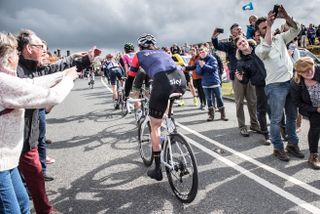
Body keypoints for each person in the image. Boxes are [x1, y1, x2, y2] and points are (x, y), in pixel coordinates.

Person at [16, 29, 93, 214]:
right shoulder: (16, 71)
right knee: (15, 200)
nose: (44, 49)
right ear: (27, 48)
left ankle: (44, 209)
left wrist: (83, 61)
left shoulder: (32, 67)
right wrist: (67, 78)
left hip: (27, 139)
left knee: (34, 178)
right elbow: (51, 94)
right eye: (40, 46)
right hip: (12, 143)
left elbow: (55, 69)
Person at [0, 32, 78, 214]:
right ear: (9, 58)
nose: (17, 57)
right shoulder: (3, 82)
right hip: (2, 163)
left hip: (8, 161)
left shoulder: (6, 79)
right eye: (15, 54)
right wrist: (67, 79)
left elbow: (31, 83)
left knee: (22, 204)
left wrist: (61, 75)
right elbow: (53, 96)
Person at [128, 33, 186, 181]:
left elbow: (130, 77)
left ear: (140, 46)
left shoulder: (139, 54)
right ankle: (172, 130)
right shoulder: (164, 52)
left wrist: (125, 94)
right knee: (166, 109)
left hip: (162, 81)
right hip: (180, 79)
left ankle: (158, 169)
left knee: (155, 126)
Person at [255, 5, 303, 161]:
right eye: (263, 27)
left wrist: (286, 16)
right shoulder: (259, 47)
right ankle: (277, 148)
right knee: (276, 119)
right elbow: (266, 49)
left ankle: (292, 145)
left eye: (267, 25)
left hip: (290, 82)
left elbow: (296, 30)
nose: (266, 27)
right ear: (259, 31)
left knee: (291, 117)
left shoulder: (280, 38)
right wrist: (269, 26)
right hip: (275, 86)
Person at [212, 23, 260, 137]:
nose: (239, 30)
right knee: (239, 102)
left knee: (252, 102)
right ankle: (242, 126)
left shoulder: (248, 41)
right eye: (236, 29)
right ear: (232, 32)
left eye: (240, 29)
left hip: (250, 76)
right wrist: (214, 37)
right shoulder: (230, 44)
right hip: (238, 76)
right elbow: (217, 45)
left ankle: (254, 124)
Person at [234, 36, 270, 145]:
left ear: (247, 41)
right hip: (255, 82)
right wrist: (241, 79)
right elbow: (245, 79)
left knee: (257, 103)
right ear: (238, 48)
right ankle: (244, 127)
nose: (242, 43)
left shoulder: (258, 49)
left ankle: (255, 125)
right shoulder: (241, 61)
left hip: (270, 80)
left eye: (243, 41)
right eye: (239, 43)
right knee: (241, 103)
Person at [291, 57, 320, 169]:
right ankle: (313, 155)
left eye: (310, 68)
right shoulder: (296, 83)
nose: (309, 72)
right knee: (315, 128)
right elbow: (297, 102)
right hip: (312, 108)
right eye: (304, 71)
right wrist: (316, 109)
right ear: (299, 72)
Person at [196, 45, 228, 121]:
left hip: (214, 82)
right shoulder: (199, 61)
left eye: (203, 51)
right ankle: (211, 115)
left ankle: (223, 114)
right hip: (205, 83)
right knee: (209, 99)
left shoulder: (212, 59)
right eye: (200, 52)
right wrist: (201, 66)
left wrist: (204, 65)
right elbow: (199, 73)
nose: (202, 53)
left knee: (219, 98)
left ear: (207, 51)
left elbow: (213, 69)